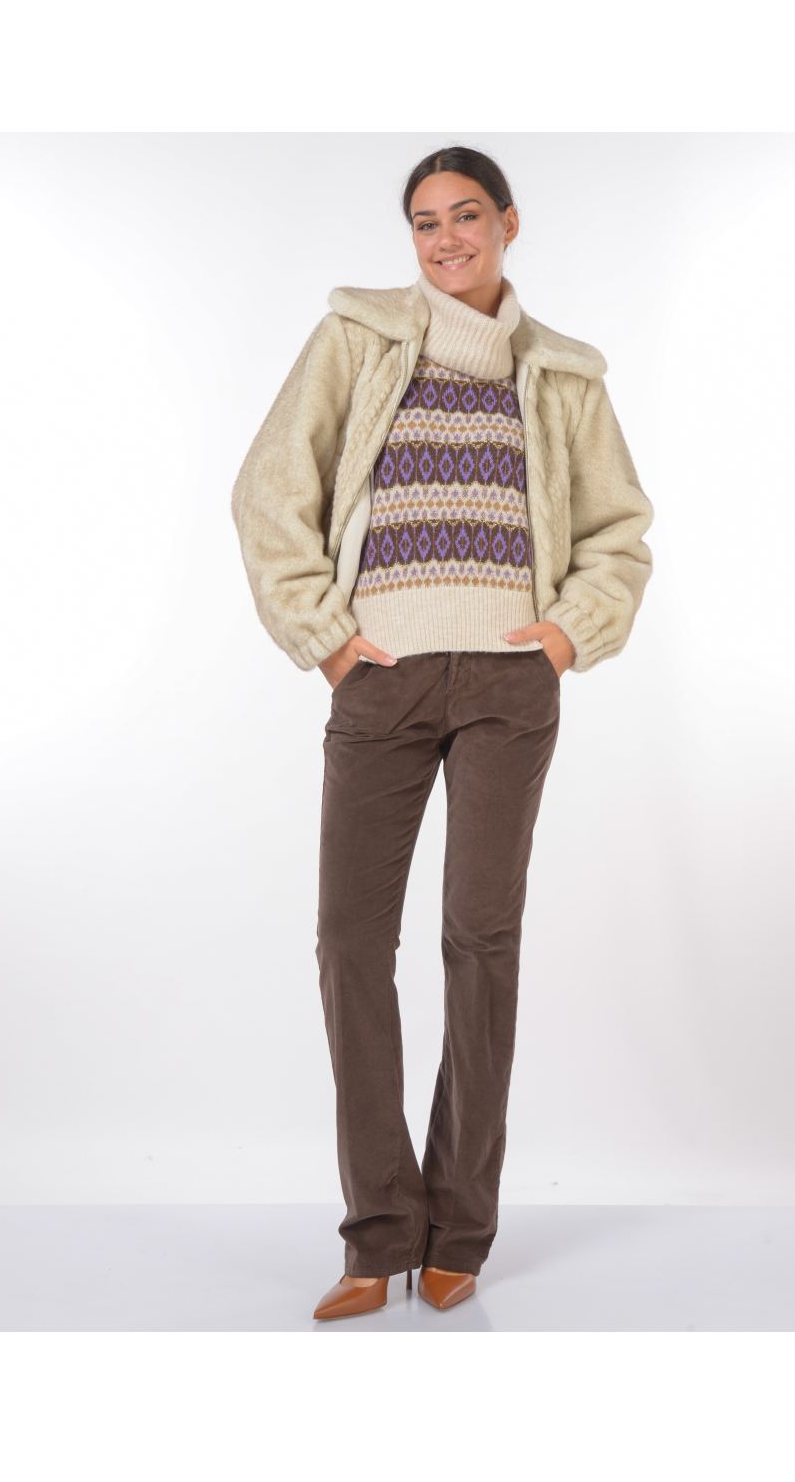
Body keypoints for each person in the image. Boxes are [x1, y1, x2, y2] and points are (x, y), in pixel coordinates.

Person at [231, 145, 654, 1320]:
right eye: (425, 222)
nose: (447, 239)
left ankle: (460, 1228)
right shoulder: (358, 339)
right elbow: (269, 489)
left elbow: (619, 531)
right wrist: (323, 636)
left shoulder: (563, 374)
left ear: (509, 223)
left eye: (467, 216)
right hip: (381, 680)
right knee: (349, 944)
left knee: (480, 940)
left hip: (510, 686)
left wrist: (566, 635)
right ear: (410, 237)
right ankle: (379, 1234)